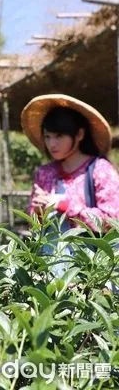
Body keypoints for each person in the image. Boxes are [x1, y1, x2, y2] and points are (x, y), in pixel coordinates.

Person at [22, 94, 119, 276]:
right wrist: (38, 212)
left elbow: (113, 220)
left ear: (80, 135)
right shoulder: (45, 173)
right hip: (52, 265)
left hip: (93, 268)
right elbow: (33, 225)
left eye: (59, 136)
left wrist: (65, 205)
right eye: (47, 136)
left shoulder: (100, 170)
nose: (52, 143)